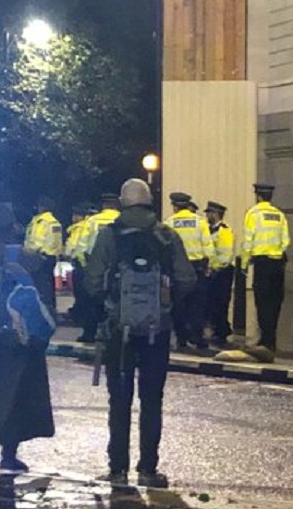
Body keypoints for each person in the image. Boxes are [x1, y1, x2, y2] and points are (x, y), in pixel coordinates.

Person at [85, 179, 195, 488]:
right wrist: (167, 305)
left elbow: (92, 281)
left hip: (119, 330)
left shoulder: (109, 235)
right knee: (151, 399)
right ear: (149, 202)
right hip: (155, 331)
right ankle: (148, 468)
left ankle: (117, 468)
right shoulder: (166, 235)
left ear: (122, 202)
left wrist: (111, 303)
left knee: (119, 401)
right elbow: (187, 278)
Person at [0, 203, 56, 477]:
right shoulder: (27, 258)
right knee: (12, 396)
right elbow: (46, 301)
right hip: (14, 341)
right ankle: (9, 457)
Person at [240, 183, 289, 355]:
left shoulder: (253, 214)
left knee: (262, 302)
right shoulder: (279, 214)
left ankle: (265, 339)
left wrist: (244, 264)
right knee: (275, 302)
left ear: (258, 196)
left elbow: (248, 241)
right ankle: (271, 338)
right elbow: (286, 241)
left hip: (261, 263)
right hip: (277, 263)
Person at [164, 192, 214, 350]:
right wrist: (208, 266)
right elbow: (208, 246)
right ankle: (197, 336)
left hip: (178, 269)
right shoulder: (200, 222)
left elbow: (166, 248)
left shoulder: (170, 223)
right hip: (197, 267)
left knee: (178, 304)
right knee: (197, 304)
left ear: (175, 206)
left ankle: (182, 338)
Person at [76, 194, 122, 343]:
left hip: (96, 266)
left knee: (92, 302)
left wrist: (85, 268)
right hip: (119, 269)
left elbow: (82, 246)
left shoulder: (92, 221)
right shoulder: (122, 220)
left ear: (103, 205)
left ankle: (89, 334)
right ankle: (116, 335)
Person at [23, 195, 63, 314]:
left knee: (45, 286)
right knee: (38, 284)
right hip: (33, 257)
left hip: (45, 258)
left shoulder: (52, 223)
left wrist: (43, 255)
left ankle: (49, 309)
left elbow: (54, 243)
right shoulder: (36, 221)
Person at [205, 201, 235, 347]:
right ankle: (218, 330)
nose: (207, 216)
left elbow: (225, 255)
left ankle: (222, 332)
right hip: (212, 272)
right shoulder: (209, 230)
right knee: (212, 303)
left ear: (216, 214)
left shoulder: (224, 231)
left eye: (209, 213)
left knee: (221, 303)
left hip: (222, 272)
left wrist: (215, 269)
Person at [65, 203, 93, 330]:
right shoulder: (76, 228)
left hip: (83, 265)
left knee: (82, 292)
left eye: (76, 215)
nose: (73, 217)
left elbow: (82, 247)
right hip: (78, 263)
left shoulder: (84, 228)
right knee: (78, 291)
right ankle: (79, 313)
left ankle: (81, 315)